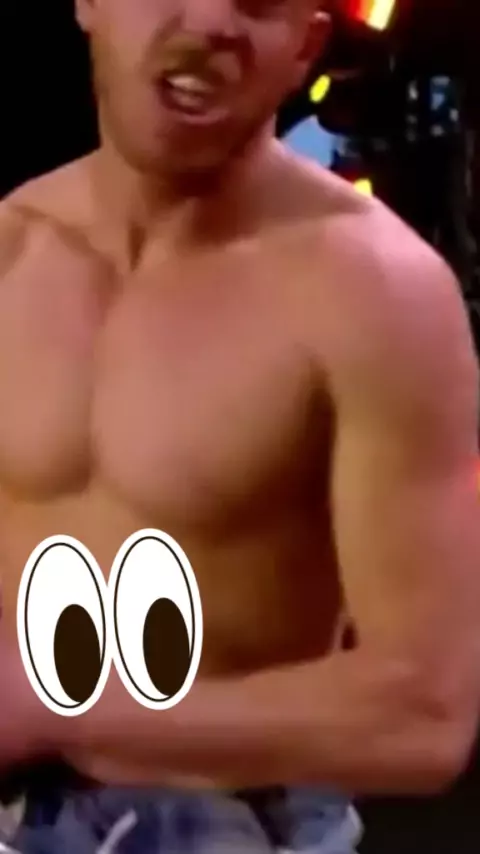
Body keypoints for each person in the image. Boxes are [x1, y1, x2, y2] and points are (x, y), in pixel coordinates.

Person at [0, 0, 479, 851]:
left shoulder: (379, 293)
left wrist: (60, 713)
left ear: (306, 47)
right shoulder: (10, 249)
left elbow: (425, 714)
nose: (212, 19)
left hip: (234, 822)